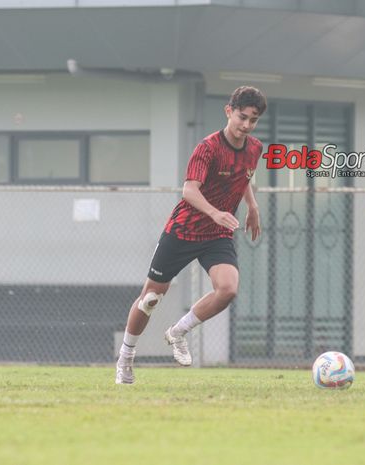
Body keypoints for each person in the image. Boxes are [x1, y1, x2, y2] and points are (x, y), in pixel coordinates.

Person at [116, 86, 267, 384]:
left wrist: (252, 205)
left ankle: (178, 331)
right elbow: (189, 190)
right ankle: (125, 359)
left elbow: (244, 176)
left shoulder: (255, 148)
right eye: (241, 117)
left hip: (217, 234)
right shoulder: (208, 147)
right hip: (183, 230)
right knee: (150, 298)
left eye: (253, 119)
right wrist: (214, 212)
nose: (246, 125)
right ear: (228, 112)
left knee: (228, 288)